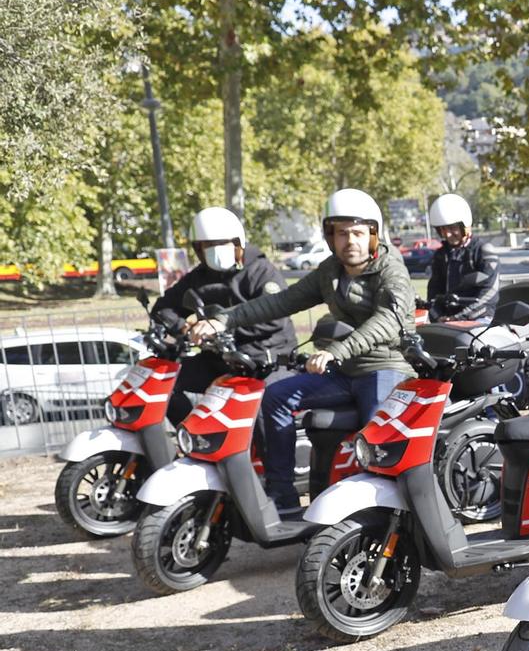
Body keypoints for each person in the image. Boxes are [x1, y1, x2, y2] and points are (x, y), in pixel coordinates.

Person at [189, 189, 415, 511]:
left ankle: (385, 512)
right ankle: (283, 495)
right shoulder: (330, 271)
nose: (350, 241)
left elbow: (387, 321)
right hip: (346, 371)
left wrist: (338, 350)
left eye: (358, 233)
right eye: (341, 233)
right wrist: (224, 320)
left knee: (376, 444)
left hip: (386, 366)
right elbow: (283, 301)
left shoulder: (392, 270)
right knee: (276, 397)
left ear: (373, 235)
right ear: (330, 237)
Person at [152, 207, 289, 419]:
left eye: (221, 243)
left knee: (263, 407)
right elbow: (163, 308)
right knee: (162, 382)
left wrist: (221, 327)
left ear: (237, 243)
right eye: (207, 245)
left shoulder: (261, 271)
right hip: (218, 360)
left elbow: (274, 317)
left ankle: (267, 453)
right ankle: (190, 436)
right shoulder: (199, 277)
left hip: (263, 360)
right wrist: (183, 327)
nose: (215, 249)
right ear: (198, 249)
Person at [423, 193, 500, 324]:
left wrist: (459, 318)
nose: (447, 234)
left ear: (465, 226)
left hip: (480, 320)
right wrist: (438, 317)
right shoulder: (441, 255)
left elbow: (489, 294)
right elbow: (433, 293)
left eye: (452, 228)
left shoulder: (484, 251)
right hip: (448, 323)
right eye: (443, 229)